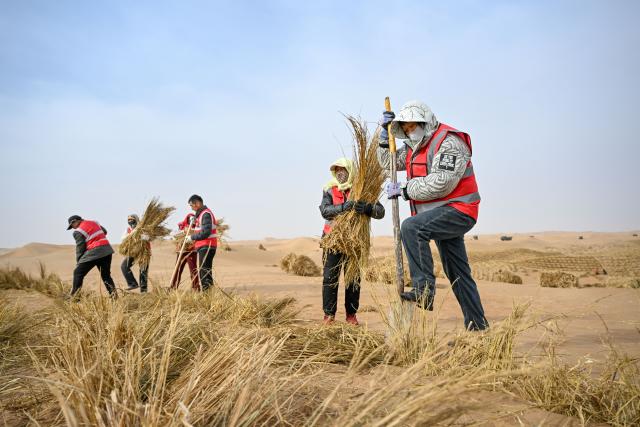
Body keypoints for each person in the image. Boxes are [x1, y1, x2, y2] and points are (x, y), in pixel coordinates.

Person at [378, 100, 488, 331]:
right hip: (438, 216)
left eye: (413, 125)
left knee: (411, 228)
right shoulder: (412, 146)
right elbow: (388, 163)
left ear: (425, 121)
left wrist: (406, 189)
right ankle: (478, 327)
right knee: (457, 272)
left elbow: (444, 182)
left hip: (460, 210)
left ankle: (423, 290)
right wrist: (382, 137)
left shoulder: (449, 142)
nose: (410, 131)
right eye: (405, 128)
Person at [319, 158, 385, 325]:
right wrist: (344, 207)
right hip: (333, 241)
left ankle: (351, 315)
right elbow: (325, 211)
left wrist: (368, 209)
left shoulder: (363, 188)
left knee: (353, 279)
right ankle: (329, 315)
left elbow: (380, 211)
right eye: (337, 170)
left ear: (350, 171)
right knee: (329, 278)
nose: (340, 173)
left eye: (343, 170)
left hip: (355, 242)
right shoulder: (329, 189)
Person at [66, 215, 117, 298]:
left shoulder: (78, 231)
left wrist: (79, 261)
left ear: (75, 221)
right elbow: (104, 231)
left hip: (94, 252)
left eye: (72, 226)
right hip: (107, 250)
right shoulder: (94, 222)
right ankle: (114, 297)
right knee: (106, 276)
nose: (73, 228)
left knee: (78, 273)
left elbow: (80, 247)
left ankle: (74, 297)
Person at [184, 195, 217, 291]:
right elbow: (200, 230)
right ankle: (209, 296)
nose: (191, 208)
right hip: (204, 246)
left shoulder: (206, 214)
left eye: (191, 205)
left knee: (204, 273)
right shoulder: (201, 215)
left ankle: (207, 296)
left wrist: (192, 237)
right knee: (205, 272)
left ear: (197, 203)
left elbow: (206, 232)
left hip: (207, 245)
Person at [170, 213, 201, 291]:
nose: (192, 221)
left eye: (194, 219)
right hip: (181, 252)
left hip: (192, 252)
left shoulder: (197, 228)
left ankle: (196, 288)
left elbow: (199, 236)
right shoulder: (181, 226)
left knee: (193, 270)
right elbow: (175, 237)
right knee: (177, 270)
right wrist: (184, 231)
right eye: (190, 219)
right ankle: (173, 287)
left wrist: (192, 232)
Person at [121, 214, 150, 293]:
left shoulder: (142, 228)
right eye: (129, 220)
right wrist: (132, 234)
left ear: (136, 219)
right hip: (133, 252)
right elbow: (123, 239)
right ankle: (132, 283)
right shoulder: (128, 230)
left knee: (143, 271)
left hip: (144, 252)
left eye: (132, 219)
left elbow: (148, 238)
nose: (130, 221)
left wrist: (138, 235)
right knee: (124, 266)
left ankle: (143, 291)